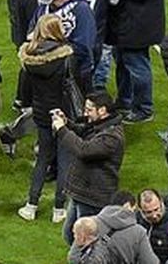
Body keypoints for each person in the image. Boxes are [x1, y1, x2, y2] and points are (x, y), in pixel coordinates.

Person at [16, 14, 76, 222]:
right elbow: (76, 83)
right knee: (64, 158)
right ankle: (59, 209)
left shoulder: (29, 59)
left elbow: (25, 91)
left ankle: (31, 205)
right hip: (62, 113)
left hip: (41, 113)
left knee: (42, 158)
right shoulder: (66, 57)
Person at [56, 92, 127, 243]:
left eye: (89, 110)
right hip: (82, 192)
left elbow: (84, 150)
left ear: (102, 110)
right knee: (69, 235)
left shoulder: (112, 137)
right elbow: (84, 131)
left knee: (85, 240)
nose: (85, 113)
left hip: (93, 197)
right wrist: (67, 123)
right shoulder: (101, 125)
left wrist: (62, 130)